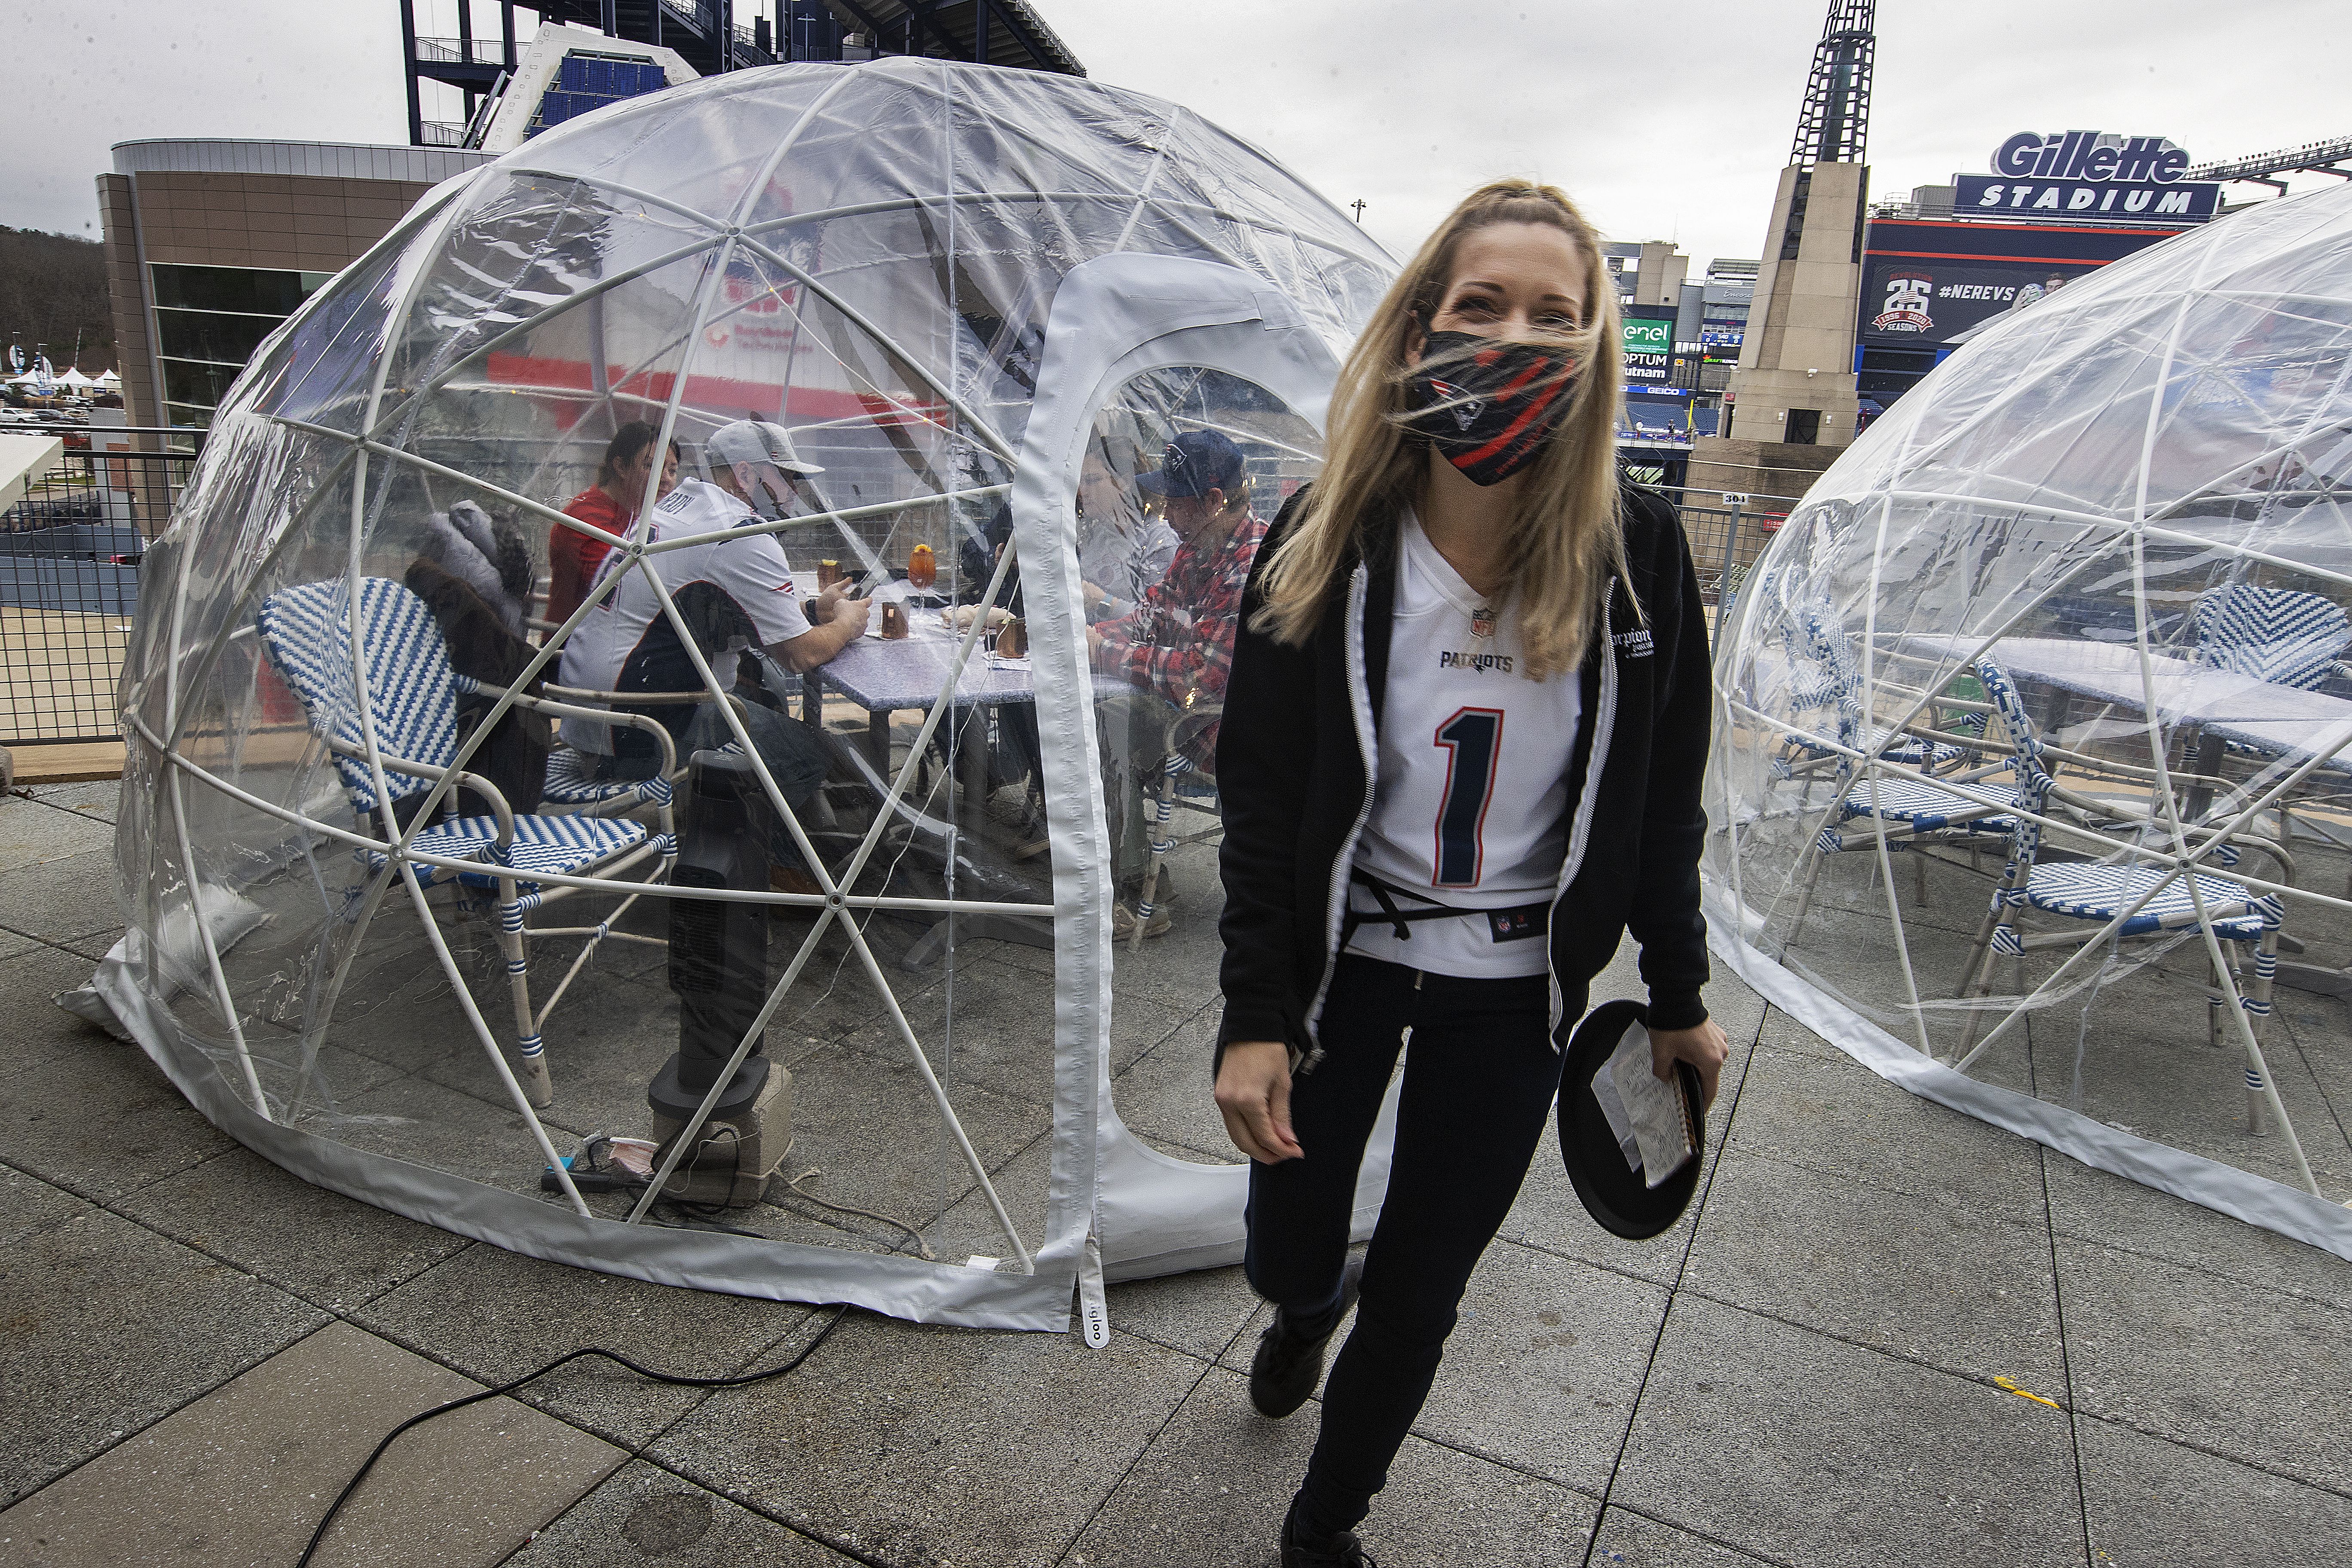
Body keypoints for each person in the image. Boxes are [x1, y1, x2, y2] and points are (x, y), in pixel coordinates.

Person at [1210, 181, 1729, 1567]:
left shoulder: (1640, 557)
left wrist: (1676, 989)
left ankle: (1325, 1522)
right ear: (1420, 328)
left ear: (1595, 347)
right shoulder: (1330, 535)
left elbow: (1660, 792)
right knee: (1288, 1239)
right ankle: (1303, 1301)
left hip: (1510, 997)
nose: (1516, 339)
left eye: (1554, 316)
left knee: (1426, 1291)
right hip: (1345, 969)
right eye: (1481, 306)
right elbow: (1257, 791)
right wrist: (1253, 1010)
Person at [557, 419, 868, 891]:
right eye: (786, 479)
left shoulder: (678, 506)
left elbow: (713, 604)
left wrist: (809, 608)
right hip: (641, 735)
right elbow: (800, 655)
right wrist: (847, 623)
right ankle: (763, 869)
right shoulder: (738, 532)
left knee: (762, 705)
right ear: (745, 475)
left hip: (589, 722)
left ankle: (775, 845)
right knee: (810, 748)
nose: (793, 494)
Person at [1087, 428, 1268, 935]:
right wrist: (1077, 635)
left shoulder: (1251, 563)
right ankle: (1143, 871)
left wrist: (1103, 650)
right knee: (1096, 711)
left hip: (1234, 731)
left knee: (1104, 727)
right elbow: (1150, 620)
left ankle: (1130, 893)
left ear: (1213, 501)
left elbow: (1199, 678)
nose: (1165, 514)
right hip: (1200, 713)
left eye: (1175, 502)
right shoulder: (1199, 546)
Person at [548, 422, 680, 627]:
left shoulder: (641, 515)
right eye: (651, 466)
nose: (666, 480)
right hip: (573, 648)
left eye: (672, 471)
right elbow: (622, 588)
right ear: (621, 467)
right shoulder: (586, 518)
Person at [1075, 429, 1179, 624]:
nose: (1083, 492)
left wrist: (1102, 602)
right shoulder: (1094, 537)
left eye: (1092, 481)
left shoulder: (1159, 540)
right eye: (1081, 482)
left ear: (1123, 482)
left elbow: (1158, 620)